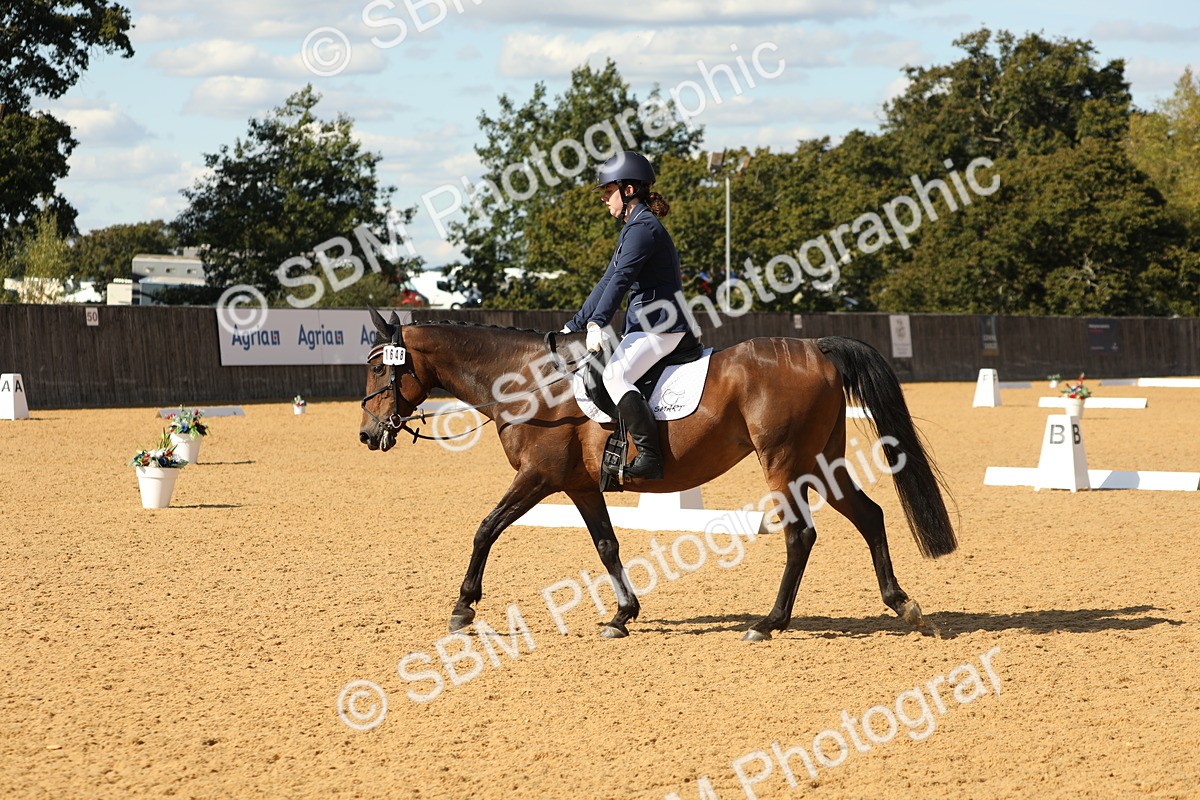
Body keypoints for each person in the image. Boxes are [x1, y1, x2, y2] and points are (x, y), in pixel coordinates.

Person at [563, 150, 691, 480]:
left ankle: (651, 456)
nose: (605, 199)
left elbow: (621, 280)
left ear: (629, 190)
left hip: (660, 326)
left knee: (614, 376)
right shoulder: (632, 227)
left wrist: (597, 323)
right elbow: (608, 278)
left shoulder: (644, 228)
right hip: (644, 325)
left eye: (608, 191)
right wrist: (576, 324)